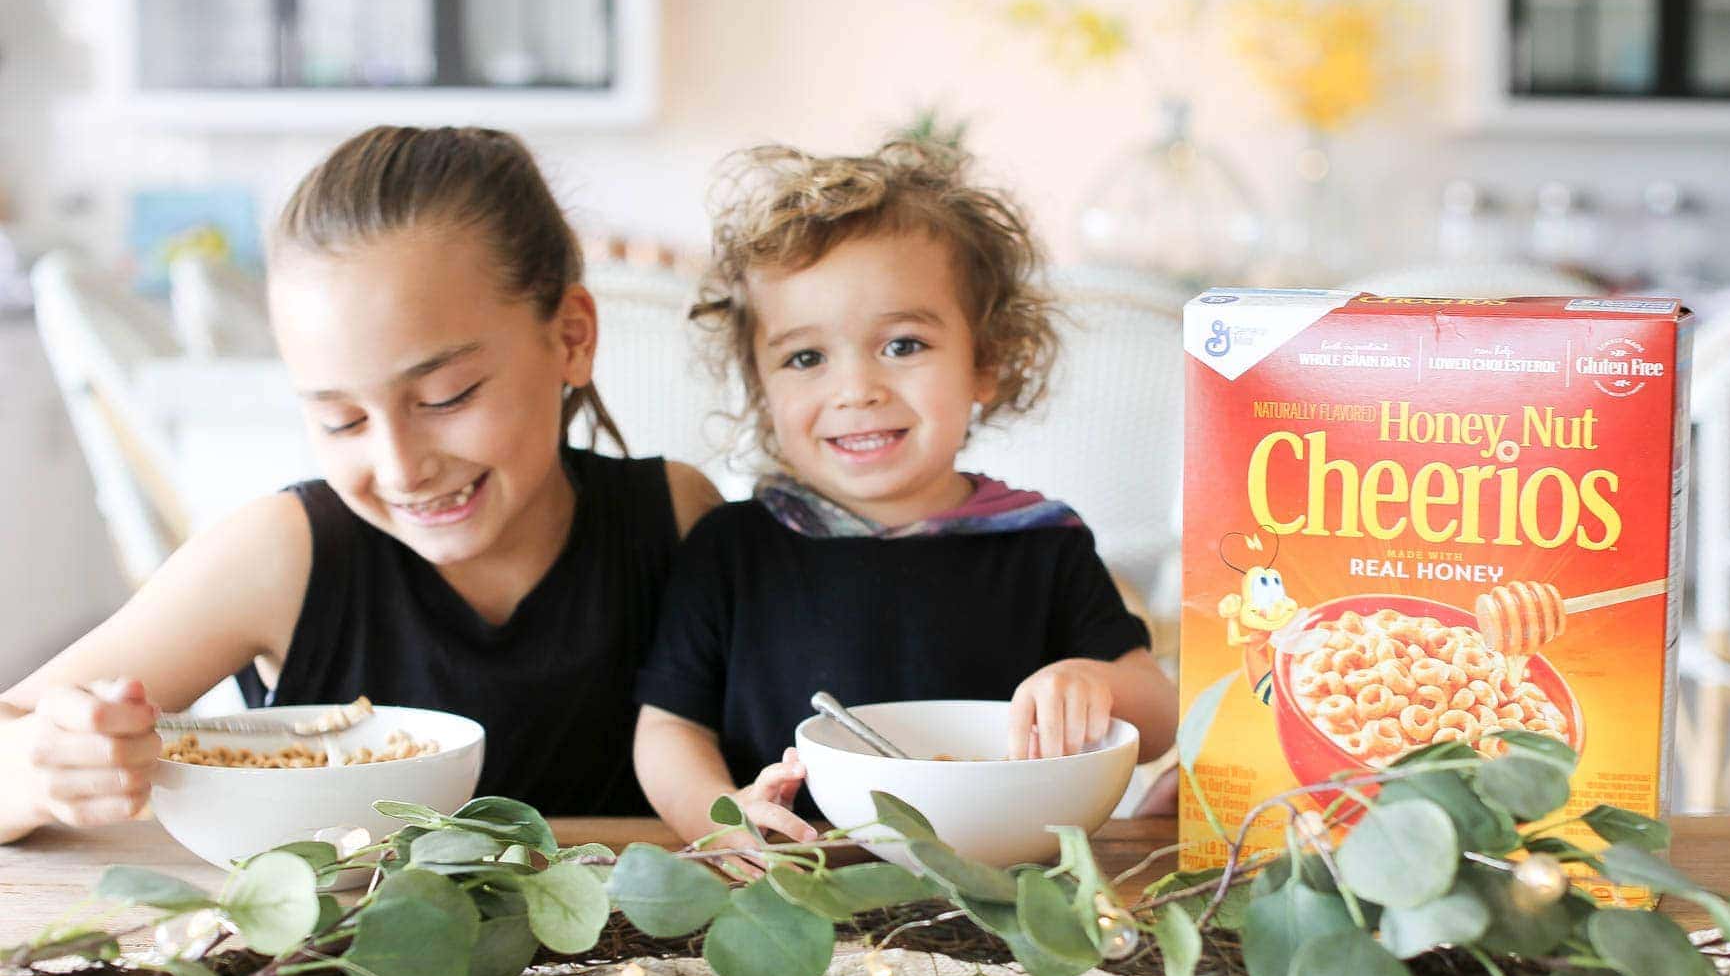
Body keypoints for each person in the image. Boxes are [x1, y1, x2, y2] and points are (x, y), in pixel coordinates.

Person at [0, 126, 720, 842]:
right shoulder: (282, 556)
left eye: (446, 397)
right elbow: (18, 738)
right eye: (342, 420)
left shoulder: (677, 523)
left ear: (570, 337)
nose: (401, 467)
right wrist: (40, 770)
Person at [633, 141, 1177, 847]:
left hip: (998, 889)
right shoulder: (732, 550)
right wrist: (722, 817)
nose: (857, 389)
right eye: (806, 358)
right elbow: (669, 728)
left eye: (903, 345)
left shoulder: (1041, 542)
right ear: (763, 391)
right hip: (794, 883)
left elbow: (1159, 710)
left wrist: (1090, 682)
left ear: (987, 362)